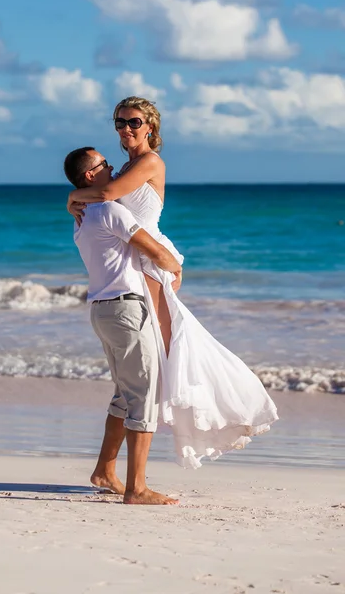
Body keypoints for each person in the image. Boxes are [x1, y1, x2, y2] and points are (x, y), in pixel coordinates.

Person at [67, 97, 279, 469]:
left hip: (150, 262)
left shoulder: (149, 162)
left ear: (150, 126)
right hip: (136, 267)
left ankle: (228, 412)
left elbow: (104, 196)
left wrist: (72, 196)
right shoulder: (119, 170)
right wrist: (77, 198)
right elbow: (102, 199)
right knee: (145, 372)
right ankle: (107, 470)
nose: (125, 129)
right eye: (119, 123)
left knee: (169, 356)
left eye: (133, 122)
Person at [64, 146, 181, 505]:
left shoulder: (80, 218)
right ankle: (137, 488)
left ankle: (105, 471)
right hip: (126, 311)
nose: (111, 166)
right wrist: (175, 267)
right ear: (90, 176)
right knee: (144, 395)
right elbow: (155, 251)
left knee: (124, 394)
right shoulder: (110, 211)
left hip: (102, 309)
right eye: (103, 164)